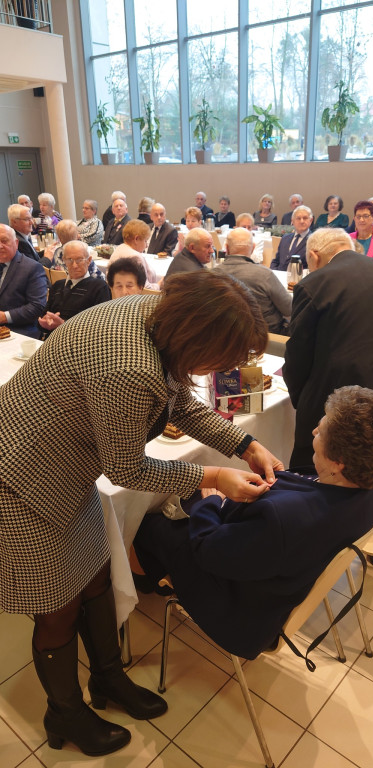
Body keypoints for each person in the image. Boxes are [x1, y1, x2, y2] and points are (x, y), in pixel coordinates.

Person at [0, 270, 282, 756]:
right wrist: (213, 478)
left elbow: (177, 402)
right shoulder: (129, 365)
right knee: (57, 605)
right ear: (199, 337)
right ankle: (63, 712)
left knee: (93, 575)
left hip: (66, 470)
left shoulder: (155, 315)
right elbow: (126, 466)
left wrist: (244, 443)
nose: (227, 365)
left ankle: (108, 679)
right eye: (226, 356)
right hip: (20, 479)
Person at [133, 385, 373, 660]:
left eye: (321, 430)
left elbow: (208, 551)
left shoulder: (286, 519)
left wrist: (211, 500)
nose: (314, 432)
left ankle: (137, 585)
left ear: (339, 462)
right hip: (275, 566)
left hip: (239, 607)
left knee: (145, 523)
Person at [282, 227, 373, 546]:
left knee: (316, 481)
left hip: (350, 403)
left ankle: (313, 550)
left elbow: (297, 358)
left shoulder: (314, 283)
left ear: (314, 256)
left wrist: (302, 403)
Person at [217, 227, 292, 333]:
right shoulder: (265, 274)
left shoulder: (213, 274)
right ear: (253, 248)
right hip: (265, 336)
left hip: (227, 334)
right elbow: (289, 309)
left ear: (227, 248)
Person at [38, 240, 111, 336]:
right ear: (64, 260)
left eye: (79, 260)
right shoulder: (57, 286)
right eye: (70, 260)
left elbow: (99, 328)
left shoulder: (99, 288)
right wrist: (45, 321)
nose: (74, 265)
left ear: (89, 261)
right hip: (52, 341)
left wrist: (63, 325)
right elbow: (43, 318)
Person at [0, 224, 47, 338]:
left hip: (19, 331)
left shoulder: (32, 268)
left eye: (4, 241)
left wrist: (5, 317)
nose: (0, 246)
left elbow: (36, 307)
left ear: (16, 243)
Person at [107, 219, 159, 289]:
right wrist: (159, 285)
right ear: (136, 239)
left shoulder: (119, 249)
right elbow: (144, 289)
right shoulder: (135, 257)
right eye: (145, 241)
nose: (146, 246)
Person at [270, 205, 313, 270]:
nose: (302, 221)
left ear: (311, 220)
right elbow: (276, 260)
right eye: (298, 218)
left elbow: (312, 267)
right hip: (279, 276)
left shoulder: (314, 240)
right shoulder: (285, 238)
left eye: (305, 218)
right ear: (292, 221)